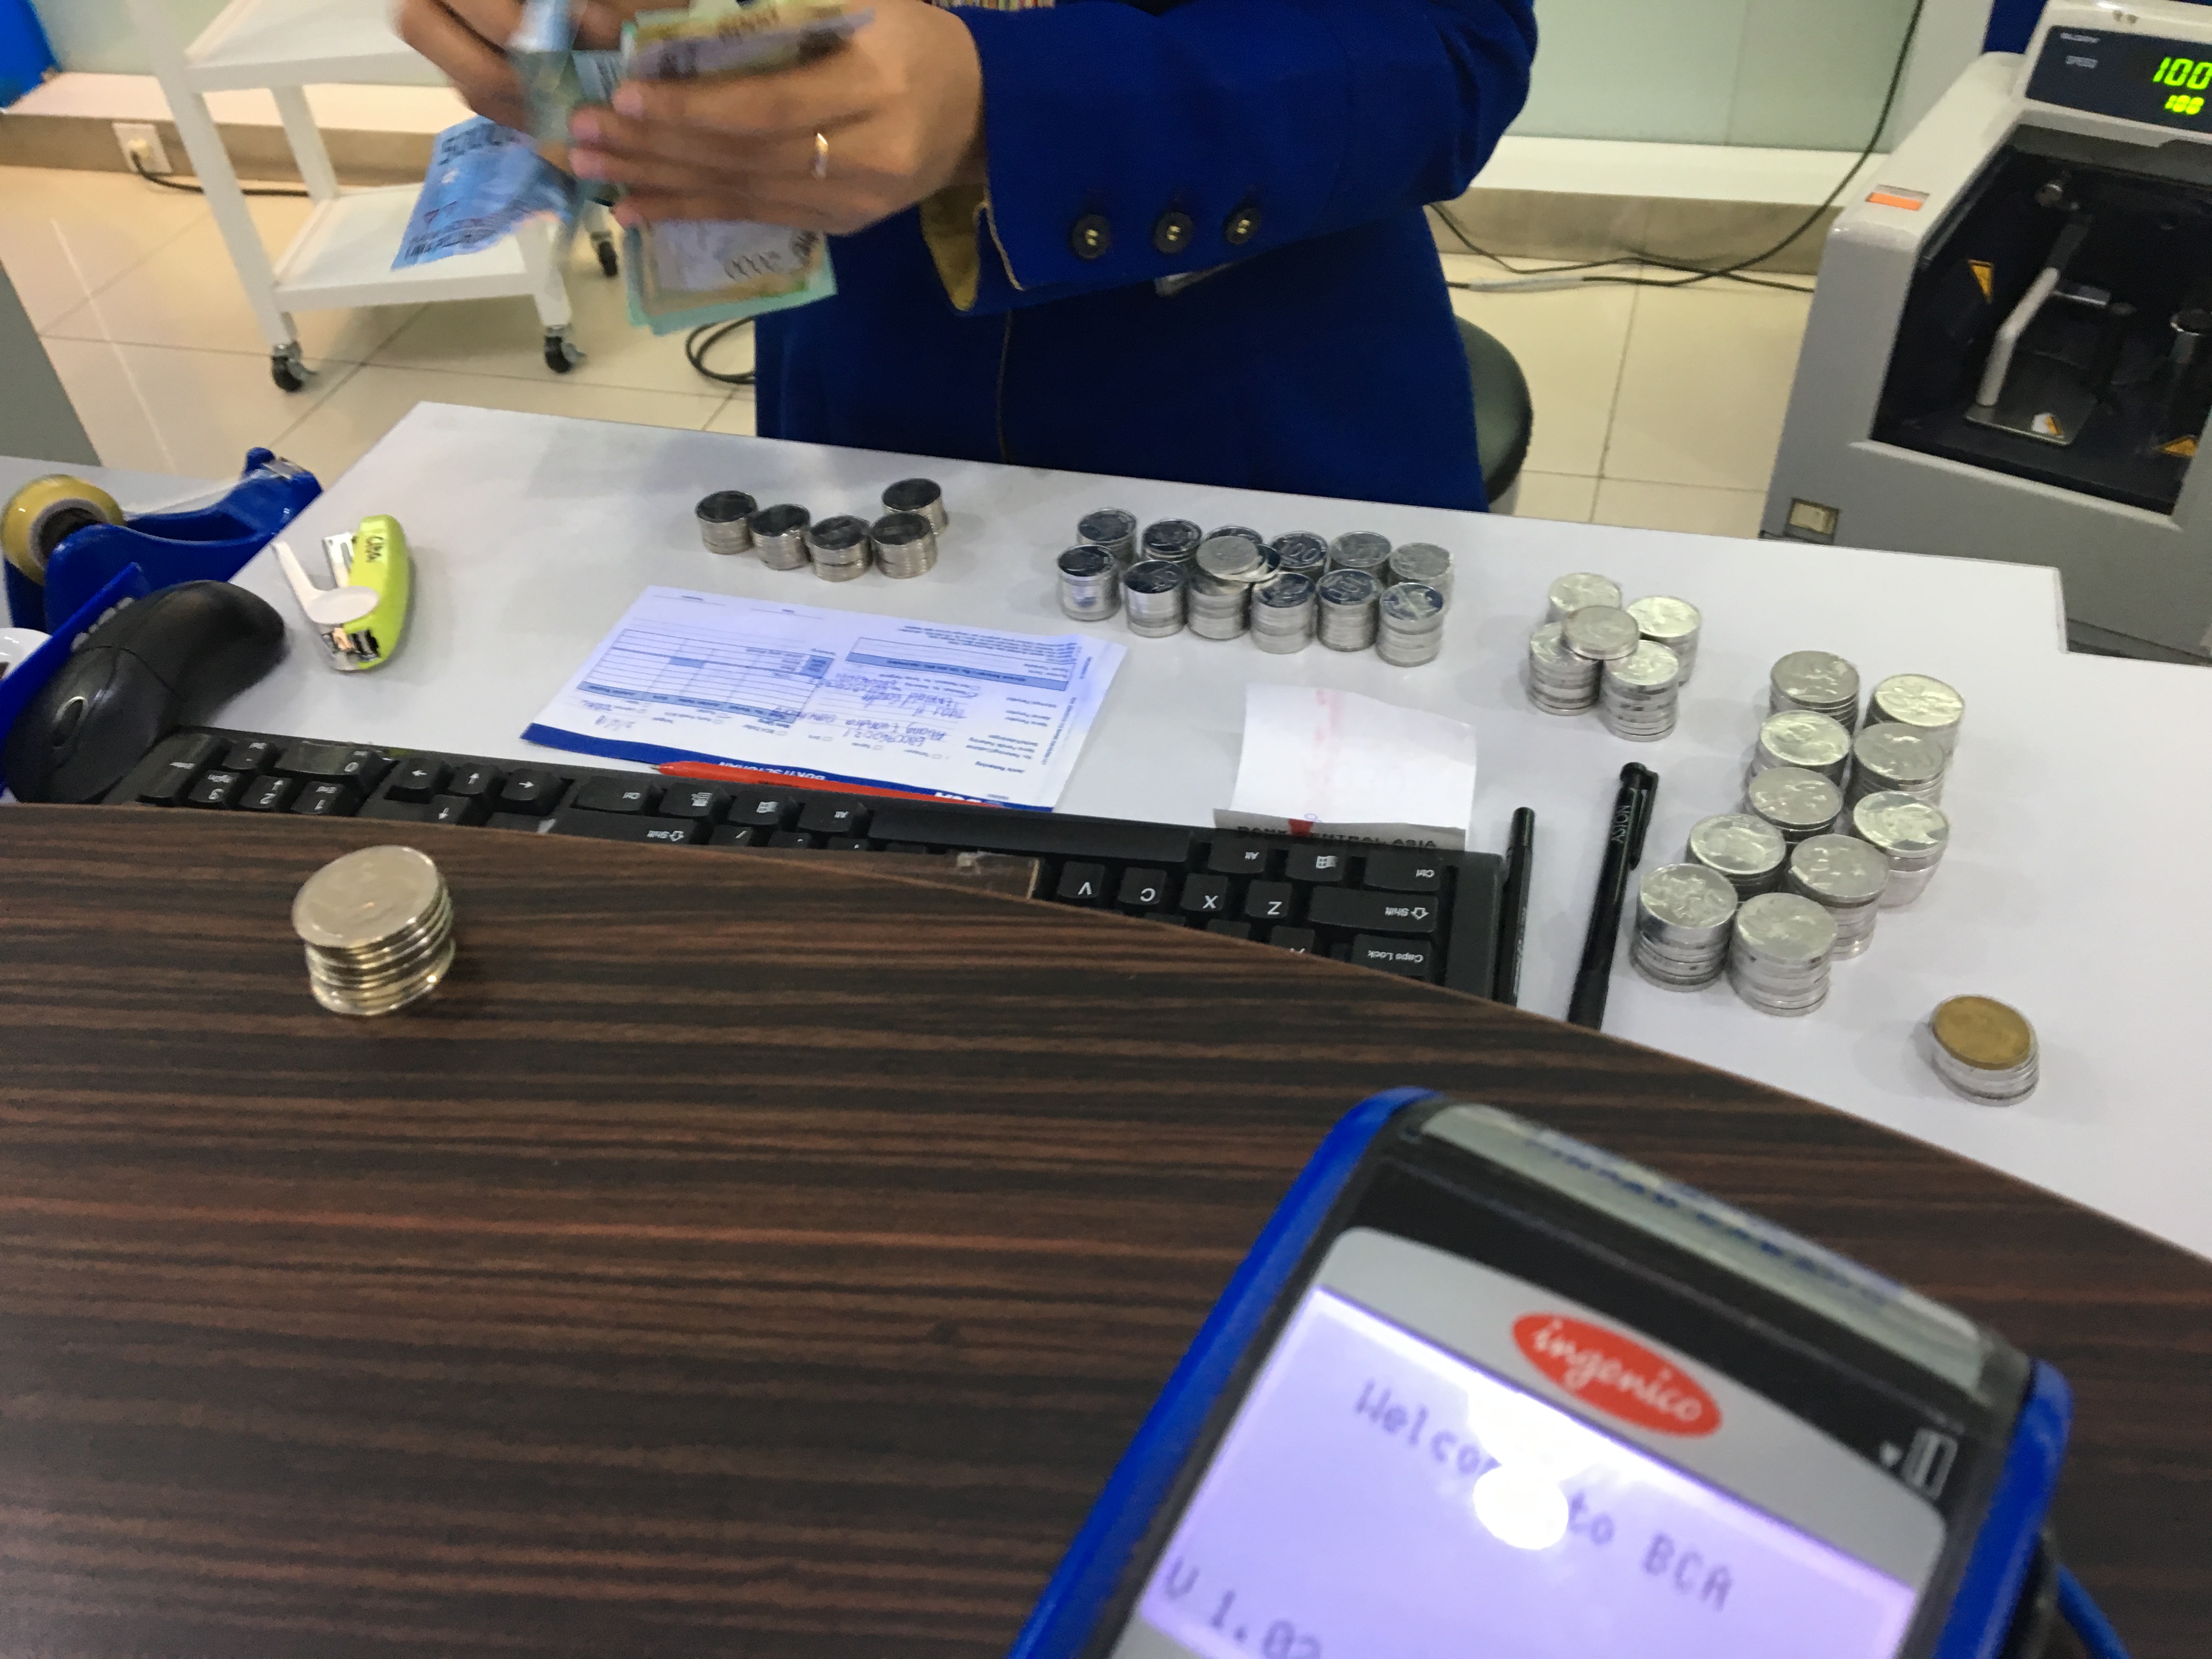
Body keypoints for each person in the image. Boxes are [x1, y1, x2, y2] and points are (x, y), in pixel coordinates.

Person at [399, 0, 1536, 511]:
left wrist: (1011, 101)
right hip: (854, 398)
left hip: (1264, 414)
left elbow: (1453, 53)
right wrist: (568, 43)